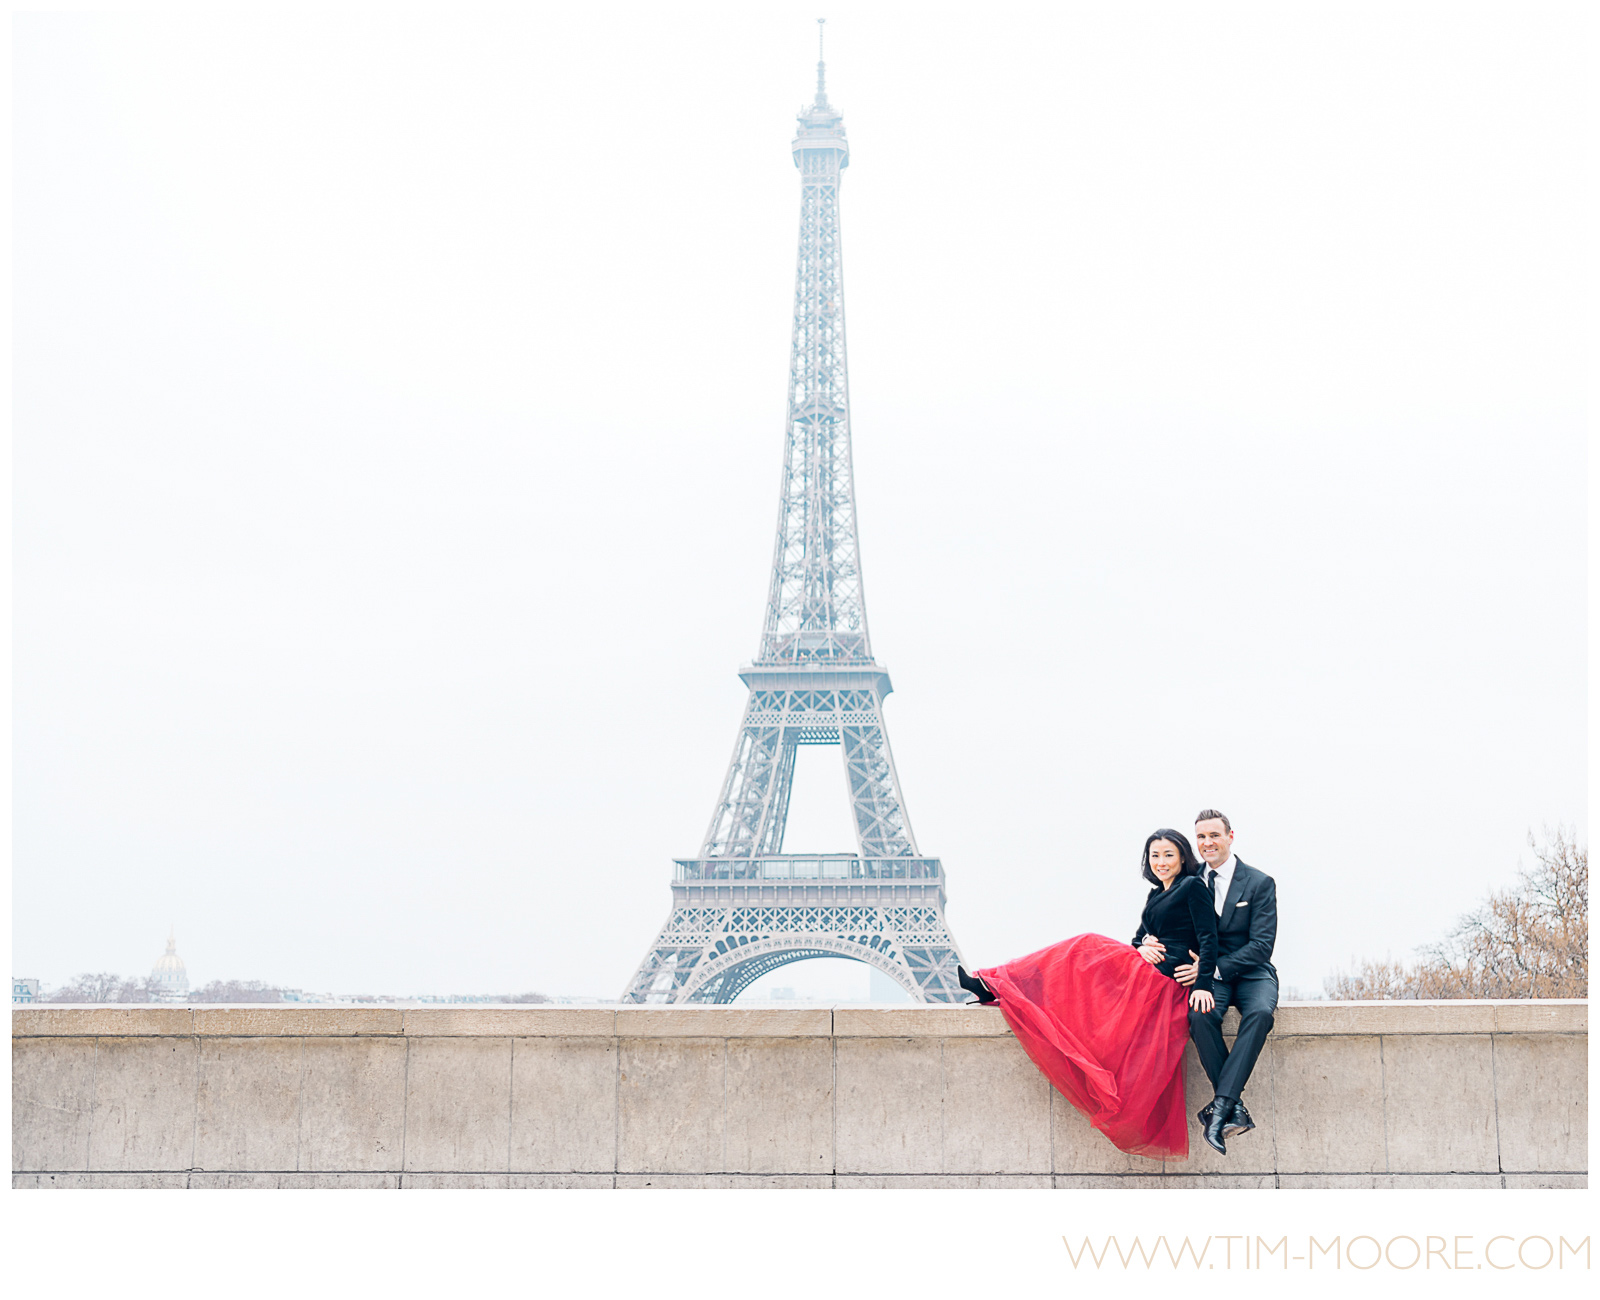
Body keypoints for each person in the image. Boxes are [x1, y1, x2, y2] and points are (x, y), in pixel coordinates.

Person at [956, 830, 1218, 1160]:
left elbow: (1209, 940)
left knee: (1084, 947)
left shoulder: (1192, 886)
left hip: (1166, 979)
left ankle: (995, 983)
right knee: (1078, 960)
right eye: (1155, 855)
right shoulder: (1155, 895)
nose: (1161, 862)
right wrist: (1145, 945)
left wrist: (1204, 982)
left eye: (1168, 854)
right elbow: (1138, 939)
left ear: (1182, 857)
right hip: (1148, 968)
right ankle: (994, 983)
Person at [1140, 809, 1277, 1155]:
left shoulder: (1260, 883)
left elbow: (1261, 946)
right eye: (1201, 837)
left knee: (1260, 1015)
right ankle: (1232, 1109)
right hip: (1205, 977)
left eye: (1214, 835)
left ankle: (1220, 1108)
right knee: (1199, 1017)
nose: (1207, 843)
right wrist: (1145, 944)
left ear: (1231, 836)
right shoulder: (1187, 881)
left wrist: (1212, 968)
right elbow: (1157, 927)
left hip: (1251, 973)